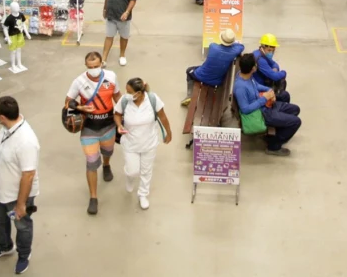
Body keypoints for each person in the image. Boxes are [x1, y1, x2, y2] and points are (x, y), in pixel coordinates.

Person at [0, 96, 39, 274]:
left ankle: (24, 254)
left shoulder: (26, 141)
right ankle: (4, 245)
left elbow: (28, 175)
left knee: (22, 225)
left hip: (18, 195)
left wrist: (21, 204)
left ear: (2, 117)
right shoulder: (5, 128)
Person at [64, 52, 121, 215]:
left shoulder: (111, 76)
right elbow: (67, 101)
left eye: (96, 66)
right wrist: (79, 107)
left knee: (108, 151)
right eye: (90, 67)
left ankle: (107, 164)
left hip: (108, 125)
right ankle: (93, 197)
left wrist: (124, 113)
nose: (94, 70)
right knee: (91, 162)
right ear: (85, 66)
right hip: (89, 127)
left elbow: (117, 96)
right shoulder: (79, 81)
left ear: (102, 64)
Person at [113, 78, 172, 210]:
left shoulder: (152, 99)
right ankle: (129, 177)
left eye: (129, 92)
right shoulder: (124, 101)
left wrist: (169, 132)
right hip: (130, 144)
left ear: (139, 93)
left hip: (149, 143)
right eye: (126, 91)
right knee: (133, 171)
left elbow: (162, 116)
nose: (126, 94)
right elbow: (117, 114)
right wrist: (119, 125)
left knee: (146, 170)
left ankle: (143, 194)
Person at [233, 53, 301, 156]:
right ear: (252, 68)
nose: (257, 66)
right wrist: (264, 98)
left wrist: (269, 91)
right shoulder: (240, 87)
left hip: (264, 105)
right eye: (255, 64)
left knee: (295, 109)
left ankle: (275, 135)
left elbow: (256, 85)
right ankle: (273, 146)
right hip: (261, 113)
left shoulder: (246, 75)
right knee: (296, 122)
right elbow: (245, 109)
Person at [184, 29, 245, 106]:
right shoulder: (234, 52)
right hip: (217, 81)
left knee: (189, 70)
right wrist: (234, 44)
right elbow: (241, 46)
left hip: (202, 76)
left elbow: (215, 47)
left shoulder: (213, 46)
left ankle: (189, 95)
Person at [102, 0, 138, 66]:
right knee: (109, 36)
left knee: (124, 37)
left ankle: (122, 55)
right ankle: (104, 58)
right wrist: (105, 9)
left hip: (123, 17)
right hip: (111, 14)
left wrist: (127, 12)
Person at [252, 33, 291, 100]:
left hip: (263, 83)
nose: (271, 53)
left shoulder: (260, 53)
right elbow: (275, 77)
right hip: (260, 88)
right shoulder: (260, 60)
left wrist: (275, 69)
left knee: (281, 81)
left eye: (273, 51)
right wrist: (284, 72)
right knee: (284, 93)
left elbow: (274, 64)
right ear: (263, 47)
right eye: (269, 50)